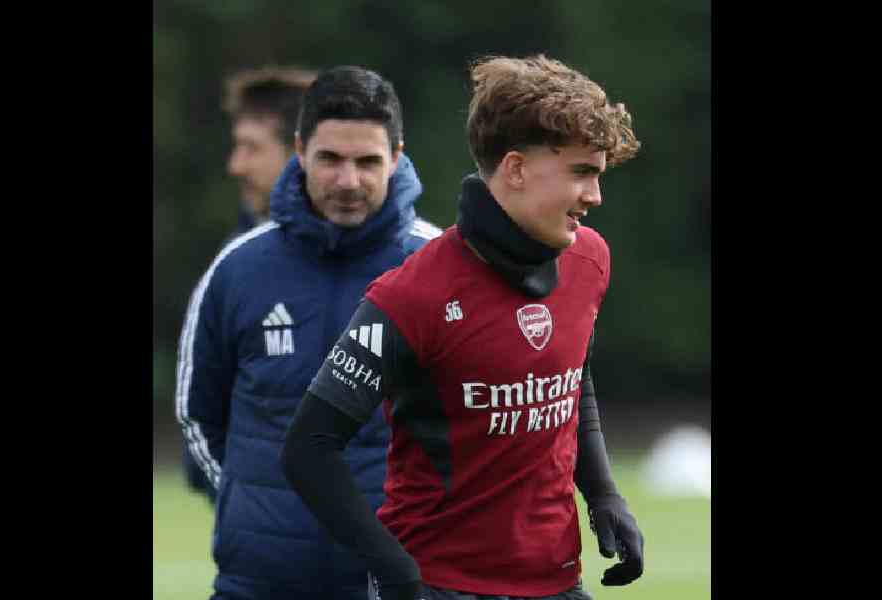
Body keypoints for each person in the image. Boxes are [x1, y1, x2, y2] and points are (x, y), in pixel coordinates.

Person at [283, 54, 645, 600]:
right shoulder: (411, 295)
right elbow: (308, 447)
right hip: (439, 585)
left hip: (555, 581)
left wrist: (603, 495)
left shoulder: (589, 261)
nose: (595, 195)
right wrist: (394, 568)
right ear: (516, 169)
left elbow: (571, 377)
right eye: (581, 172)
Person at [175, 65, 441, 599]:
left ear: (396, 156)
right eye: (330, 159)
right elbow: (197, 412)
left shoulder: (440, 268)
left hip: (398, 584)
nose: (348, 181)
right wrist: (253, 499)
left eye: (367, 161)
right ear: (299, 150)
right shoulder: (237, 269)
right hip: (259, 583)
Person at [181, 65, 318, 505]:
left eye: (252, 148)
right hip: (255, 524)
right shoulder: (234, 260)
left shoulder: (384, 259)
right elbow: (202, 408)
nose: (235, 165)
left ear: (299, 151)